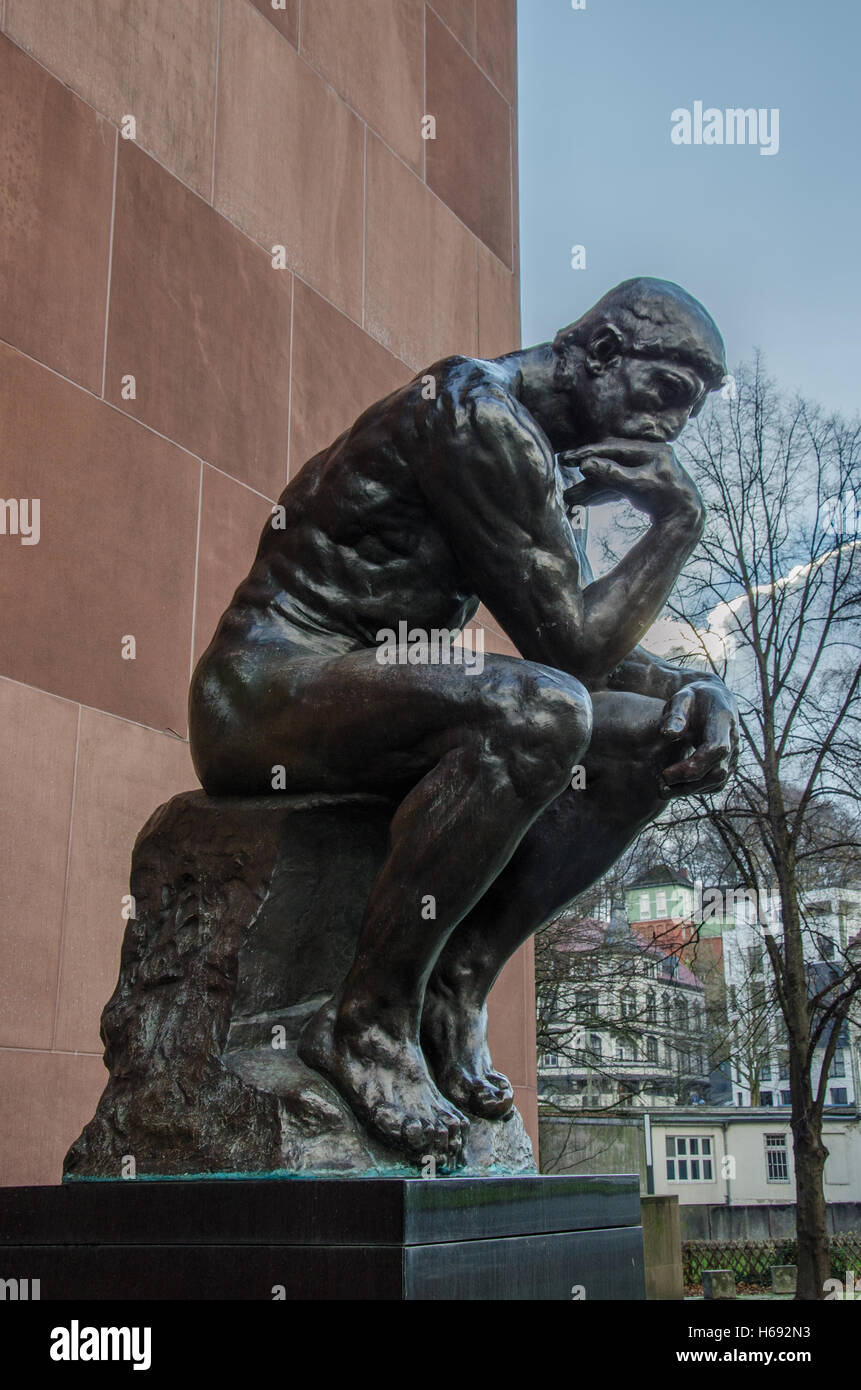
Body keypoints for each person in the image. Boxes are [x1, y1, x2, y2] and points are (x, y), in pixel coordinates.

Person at [189, 277, 738, 1165]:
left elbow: (568, 627)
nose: (672, 427)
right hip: (263, 692)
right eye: (667, 392)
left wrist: (694, 687)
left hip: (361, 691)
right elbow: (569, 646)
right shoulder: (474, 410)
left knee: (649, 737)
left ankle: (455, 979)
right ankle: (365, 1021)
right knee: (544, 712)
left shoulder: (531, 450)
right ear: (600, 351)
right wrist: (675, 524)